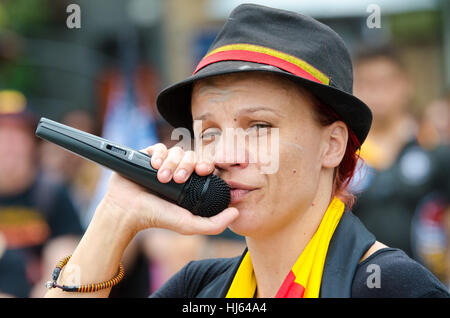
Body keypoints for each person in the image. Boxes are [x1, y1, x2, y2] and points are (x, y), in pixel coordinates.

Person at [45, 4, 449, 298]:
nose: (225, 154)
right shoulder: (199, 288)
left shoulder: (392, 287)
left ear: (332, 145)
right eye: (208, 131)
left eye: (259, 126)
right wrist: (116, 215)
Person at [351, 46, 450, 283]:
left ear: (406, 84)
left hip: (427, 283)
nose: (377, 92)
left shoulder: (435, 151)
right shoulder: (341, 155)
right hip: (355, 285)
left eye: (386, 81)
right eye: (367, 82)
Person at [0, 90, 84, 297]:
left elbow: (64, 260)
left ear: (33, 144)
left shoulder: (52, 193)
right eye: (2, 134)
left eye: (18, 134)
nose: (9, 145)